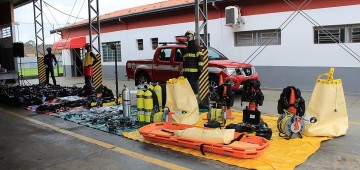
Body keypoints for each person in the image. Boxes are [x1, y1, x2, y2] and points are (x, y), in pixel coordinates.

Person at [182, 30, 204, 100]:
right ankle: (189, 105)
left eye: (188, 36)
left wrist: (199, 71)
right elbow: (185, 62)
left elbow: (200, 60)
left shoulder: (196, 47)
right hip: (186, 75)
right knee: (188, 91)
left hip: (194, 74)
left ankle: (195, 105)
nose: (187, 38)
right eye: (186, 36)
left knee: (195, 91)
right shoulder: (186, 48)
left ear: (193, 36)